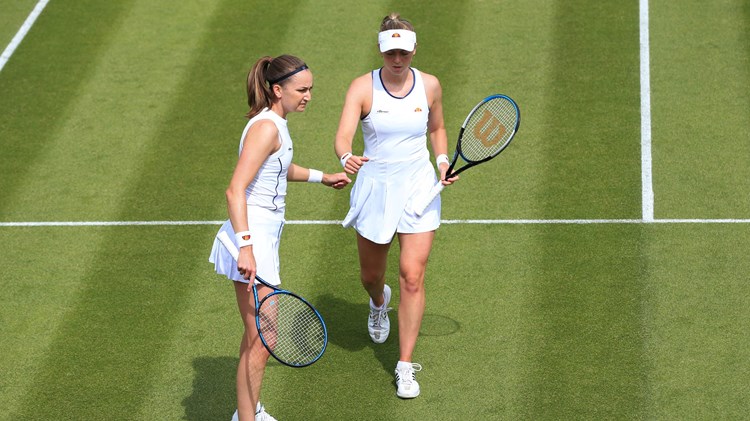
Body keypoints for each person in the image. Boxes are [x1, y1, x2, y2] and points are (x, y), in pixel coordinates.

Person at [210, 54, 350, 421]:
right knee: (263, 337)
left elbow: (279, 167)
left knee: (257, 335)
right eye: (302, 89)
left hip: (263, 238)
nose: (308, 96)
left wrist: (324, 176)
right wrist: (246, 247)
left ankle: (249, 410)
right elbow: (234, 190)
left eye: (310, 89)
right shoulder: (266, 128)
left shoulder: (276, 125)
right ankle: (246, 417)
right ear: (277, 89)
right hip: (251, 238)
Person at [333, 13, 457, 399]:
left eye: (404, 52)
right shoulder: (362, 87)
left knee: (412, 275)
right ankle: (377, 301)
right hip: (376, 186)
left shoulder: (430, 85)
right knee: (371, 276)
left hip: (419, 186)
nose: (398, 59)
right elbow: (343, 137)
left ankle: (405, 365)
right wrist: (345, 158)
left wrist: (441, 161)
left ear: (414, 50)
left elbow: (436, 129)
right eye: (391, 52)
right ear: (381, 51)